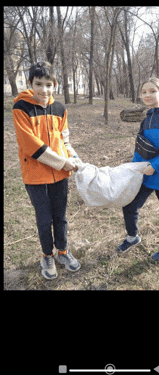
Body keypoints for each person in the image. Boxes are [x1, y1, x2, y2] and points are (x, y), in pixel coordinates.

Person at [12, 61, 81, 280]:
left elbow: (65, 139)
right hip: (35, 177)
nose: (44, 90)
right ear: (30, 83)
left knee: (60, 216)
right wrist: (62, 163)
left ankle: (62, 251)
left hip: (60, 175)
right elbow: (31, 146)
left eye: (49, 85)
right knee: (44, 218)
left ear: (55, 85)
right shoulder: (21, 108)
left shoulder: (60, 108)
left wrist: (75, 158)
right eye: (39, 84)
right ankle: (46, 255)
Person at [117, 77, 159, 261]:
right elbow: (142, 146)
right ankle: (132, 237)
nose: (148, 95)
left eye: (152, 91)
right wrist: (133, 168)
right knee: (129, 204)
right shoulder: (146, 118)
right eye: (144, 92)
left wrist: (155, 166)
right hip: (145, 175)